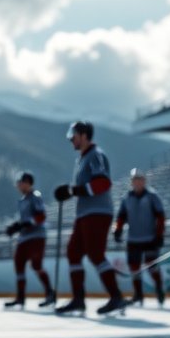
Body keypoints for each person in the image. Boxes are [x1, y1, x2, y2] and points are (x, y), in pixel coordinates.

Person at [53, 121, 126, 316]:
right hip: (85, 213)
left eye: (74, 135)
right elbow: (84, 187)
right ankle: (78, 299)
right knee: (73, 252)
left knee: (95, 254)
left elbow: (102, 183)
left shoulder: (96, 155)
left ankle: (116, 296)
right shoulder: (82, 159)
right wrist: (70, 191)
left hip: (98, 212)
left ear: (84, 135)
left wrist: (72, 190)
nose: (71, 139)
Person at [113, 168, 166, 307]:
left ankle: (159, 289)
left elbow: (160, 217)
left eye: (139, 179)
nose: (137, 182)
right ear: (131, 182)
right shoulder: (126, 198)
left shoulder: (152, 196)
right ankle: (138, 295)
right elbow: (121, 216)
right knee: (134, 268)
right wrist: (117, 230)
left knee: (152, 267)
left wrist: (159, 235)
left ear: (144, 181)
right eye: (134, 180)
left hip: (150, 238)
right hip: (133, 239)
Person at [4, 172, 56, 309]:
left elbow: (41, 216)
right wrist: (16, 226)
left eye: (21, 182)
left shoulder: (35, 197)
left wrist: (28, 223)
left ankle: (50, 293)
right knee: (19, 263)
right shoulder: (22, 200)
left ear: (27, 183)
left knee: (36, 265)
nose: (18, 185)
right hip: (24, 237)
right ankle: (20, 298)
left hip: (37, 236)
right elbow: (23, 220)